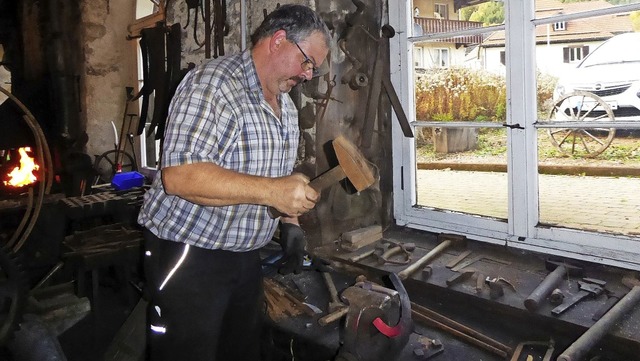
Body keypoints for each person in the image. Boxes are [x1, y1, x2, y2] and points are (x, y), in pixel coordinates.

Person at [137, 4, 332, 361]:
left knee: (239, 350)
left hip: (244, 256)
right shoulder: (213, 84)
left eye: (313, 69)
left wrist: (290, 222)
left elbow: (278, 179)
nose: (307, 75)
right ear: (278, 41)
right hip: (189, 254)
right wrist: (273, 191)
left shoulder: (285, 107)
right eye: (306, 62)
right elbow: (180, 177)